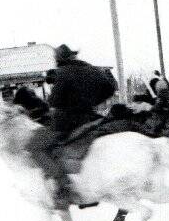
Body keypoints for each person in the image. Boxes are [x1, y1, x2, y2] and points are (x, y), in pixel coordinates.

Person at [29, 44, 117, 208]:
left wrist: (52, 94)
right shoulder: (89, 68)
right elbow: (110, 86)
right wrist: (94, 101)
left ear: (58, 59)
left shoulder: (63, 72)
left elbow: (54, 102)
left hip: (66, 121)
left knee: (34, 146)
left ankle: (63, 186)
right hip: (91, 117)